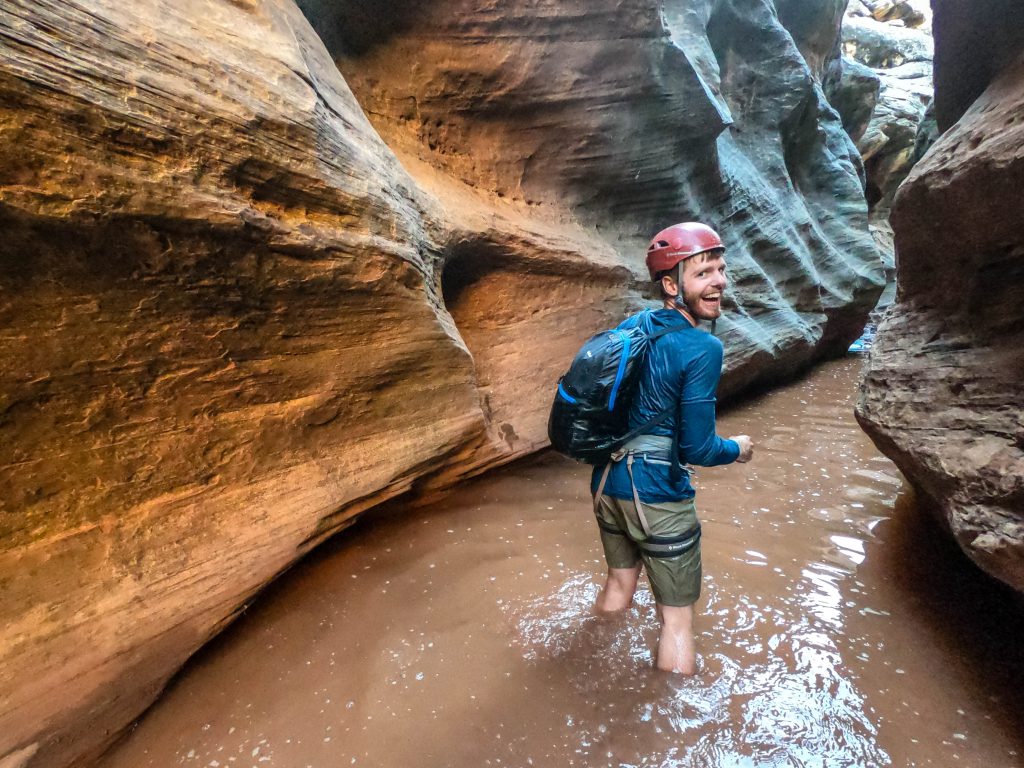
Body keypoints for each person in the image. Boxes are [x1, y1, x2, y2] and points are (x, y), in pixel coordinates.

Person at [590, 221, 753, 674]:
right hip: (656, 493)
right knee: (677, 621)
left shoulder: (633, 326)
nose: (719, 281)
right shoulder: (703, 347)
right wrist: (737, 448)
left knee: (619, 586)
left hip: (607, 482)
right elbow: (698, 447)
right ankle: (671, 728)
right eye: (703, 273)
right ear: (670, 284)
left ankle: (589, 663)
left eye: (720, 270)